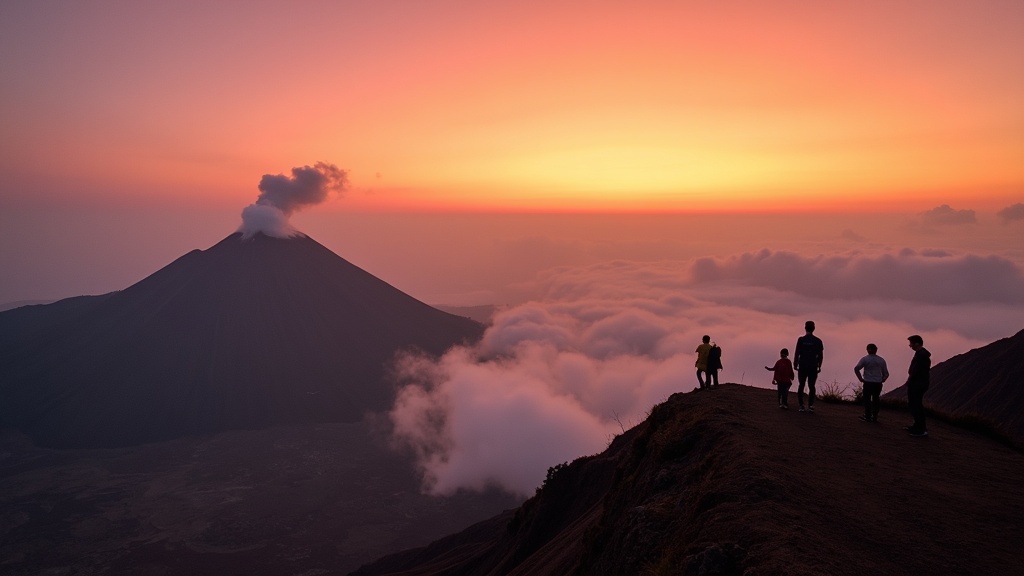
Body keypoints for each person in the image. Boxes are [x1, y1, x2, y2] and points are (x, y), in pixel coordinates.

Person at [793, 320, 824, 412]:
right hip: (813, 366)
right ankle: (810, 405)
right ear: (814, 328)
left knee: (801, 385)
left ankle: (801, 405)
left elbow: (797, 353)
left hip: (802, 365)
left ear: (805, 328)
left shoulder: (801, 340)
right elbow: (820, 356)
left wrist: (795, 363)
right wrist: (819, 366)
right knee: (812, 385)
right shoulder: (818, 341)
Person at [904, 334, 931, 437]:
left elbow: (917, 371)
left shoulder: (922, 356)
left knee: (916, 405)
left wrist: (910, 380)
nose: (910, 346)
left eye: (911, 343)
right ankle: (917, 426)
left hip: (917, 384)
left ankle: (920, 429)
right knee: (915, 404)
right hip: (918, 383)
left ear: (917, 343)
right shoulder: (921, 354)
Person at [854, 343, 889, 422]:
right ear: (876, 350)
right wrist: (883, 379)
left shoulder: (865, 359)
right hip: (878, 383)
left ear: (867, 350)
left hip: (868, 382)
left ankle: (868, 415)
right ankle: (875, 415)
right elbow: (886, 373)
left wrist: (860, 378)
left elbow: (856, 369)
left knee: (867, 399)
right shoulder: (881, 360)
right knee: (876, 399)